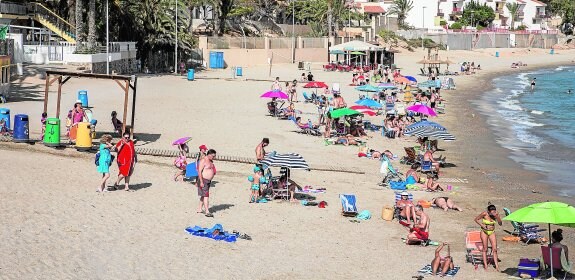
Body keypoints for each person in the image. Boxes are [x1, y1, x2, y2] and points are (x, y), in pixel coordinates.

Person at [474, 204, 502, 271]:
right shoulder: (484, 213)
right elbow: (476, 219)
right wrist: (482, 226)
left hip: (492, 232)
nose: (493, 213)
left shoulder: (496, 214)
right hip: (484, 232)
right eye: (491, 212)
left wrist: (497, 217)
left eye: (494, 212)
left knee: (494, 249)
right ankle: (485, 265)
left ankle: (497, 266)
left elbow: (500, 223)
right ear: (488, 212)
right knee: (485, 249)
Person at [197, 149, 217, 217]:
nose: (214, 157)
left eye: (214, 156)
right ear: (209, 154)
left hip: (208, 181)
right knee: (206, 196)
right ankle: (207, 211)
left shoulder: (211, 161)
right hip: (204, 180)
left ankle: (199, 209)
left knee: (203, 195)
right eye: (213, 156)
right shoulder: (203, 160)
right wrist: (201, 181)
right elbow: (199, 171)